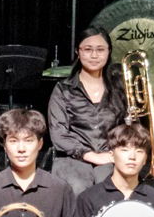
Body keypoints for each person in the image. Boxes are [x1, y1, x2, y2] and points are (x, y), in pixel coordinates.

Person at [46, 26, 128, 197]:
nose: (94, 55)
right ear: (78, 51)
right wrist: (91, 156)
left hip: (110, 156)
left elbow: (129, 129)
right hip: (72, 159)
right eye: (88, 49)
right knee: (78, 187)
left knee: (112, 188)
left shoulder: (120, 88)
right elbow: (58, 134)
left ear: (109, 51)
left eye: (100, 50)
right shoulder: (63, 89)